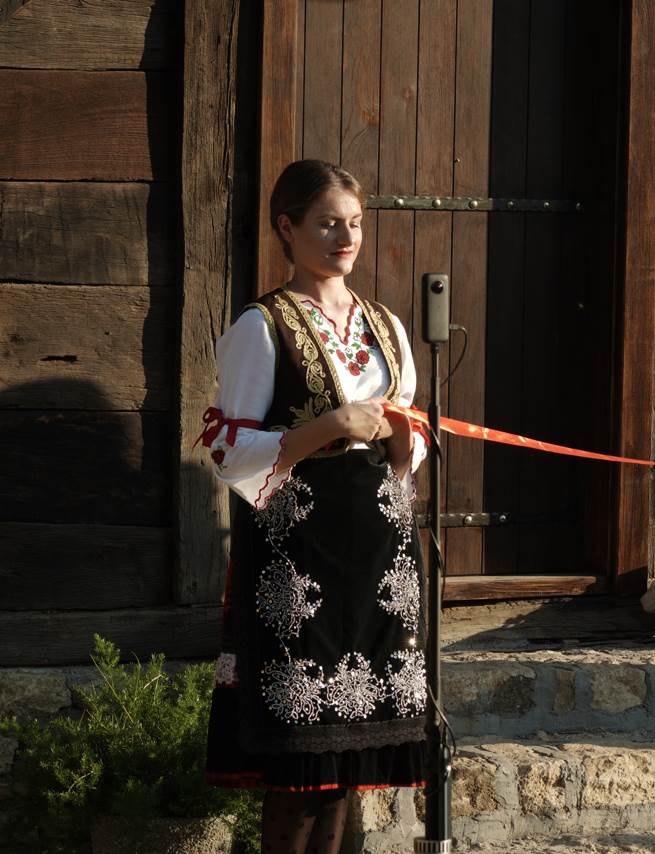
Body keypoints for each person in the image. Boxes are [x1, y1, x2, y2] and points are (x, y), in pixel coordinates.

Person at [200, 160, 428, 853]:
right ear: (287, 228)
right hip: (299, 559)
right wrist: (325, 429)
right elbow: (225, 447)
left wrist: (401, 434)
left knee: (351, 760)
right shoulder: (260, 326)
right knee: (302, 755)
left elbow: (411, 426)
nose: (345, 237)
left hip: (378, 559)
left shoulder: (384, 324)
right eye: (328, 222)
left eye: (354, 223)